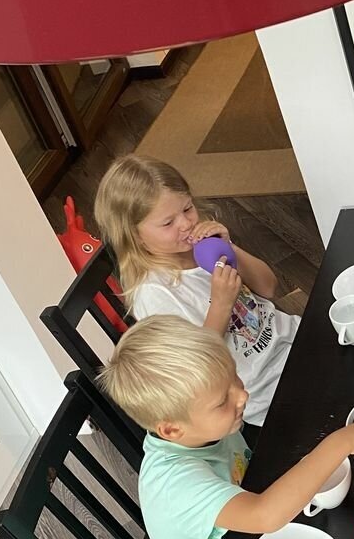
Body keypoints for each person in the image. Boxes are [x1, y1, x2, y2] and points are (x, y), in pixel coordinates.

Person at [98, 316, 354, 539]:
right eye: (222, 401)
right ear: (172, 430)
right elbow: (264, 516)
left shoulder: (203, 427)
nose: (242, 395)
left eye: (234, 377)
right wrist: (342, 441)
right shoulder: (174, 485)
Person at [95, 154, 297, 428]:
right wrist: (221, 303)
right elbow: (198, 367)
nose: (186, 223)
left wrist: (229, 247)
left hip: (293, 341)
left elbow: (268, 287)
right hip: (262, 392)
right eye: (168, 223)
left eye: (188, 208)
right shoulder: (154, 295)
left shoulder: (204, 248)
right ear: (135, 236)